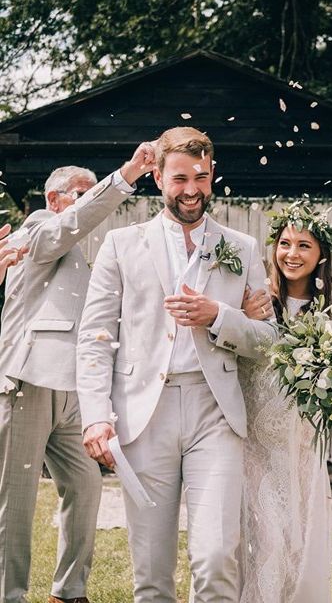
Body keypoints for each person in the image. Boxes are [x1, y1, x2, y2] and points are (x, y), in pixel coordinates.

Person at [76, 127, 276, 603]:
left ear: (212, 176)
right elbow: (95, 337)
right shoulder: (121, 245)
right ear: (158, 177)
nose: (191, 190)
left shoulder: (243, 248)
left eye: (201, 178)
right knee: (151, 569)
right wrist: (95, 415)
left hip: (216, 412)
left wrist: (219, 317)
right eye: (180, 178)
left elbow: (267, 340)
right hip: (144, 414)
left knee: (215, 558)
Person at [0, 161, 146, 603]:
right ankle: (9, 594)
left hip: (78, 391)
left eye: (90, 193)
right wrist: (126, 175)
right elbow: (71, 224)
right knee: (15, 502)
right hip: (27, 380)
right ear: (54, 200)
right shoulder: (37, 228)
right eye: (80, 194)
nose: (87, 201)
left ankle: (69, 591)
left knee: (85, 488)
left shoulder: (95, 249)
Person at [238, 199, 332, 603]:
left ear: (321, 256)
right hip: (252, 437)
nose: (292, 254)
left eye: (304, 246)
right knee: (261, 534)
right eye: (285, 243)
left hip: (299, 444)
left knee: (293, 534)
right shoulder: (255, 299)